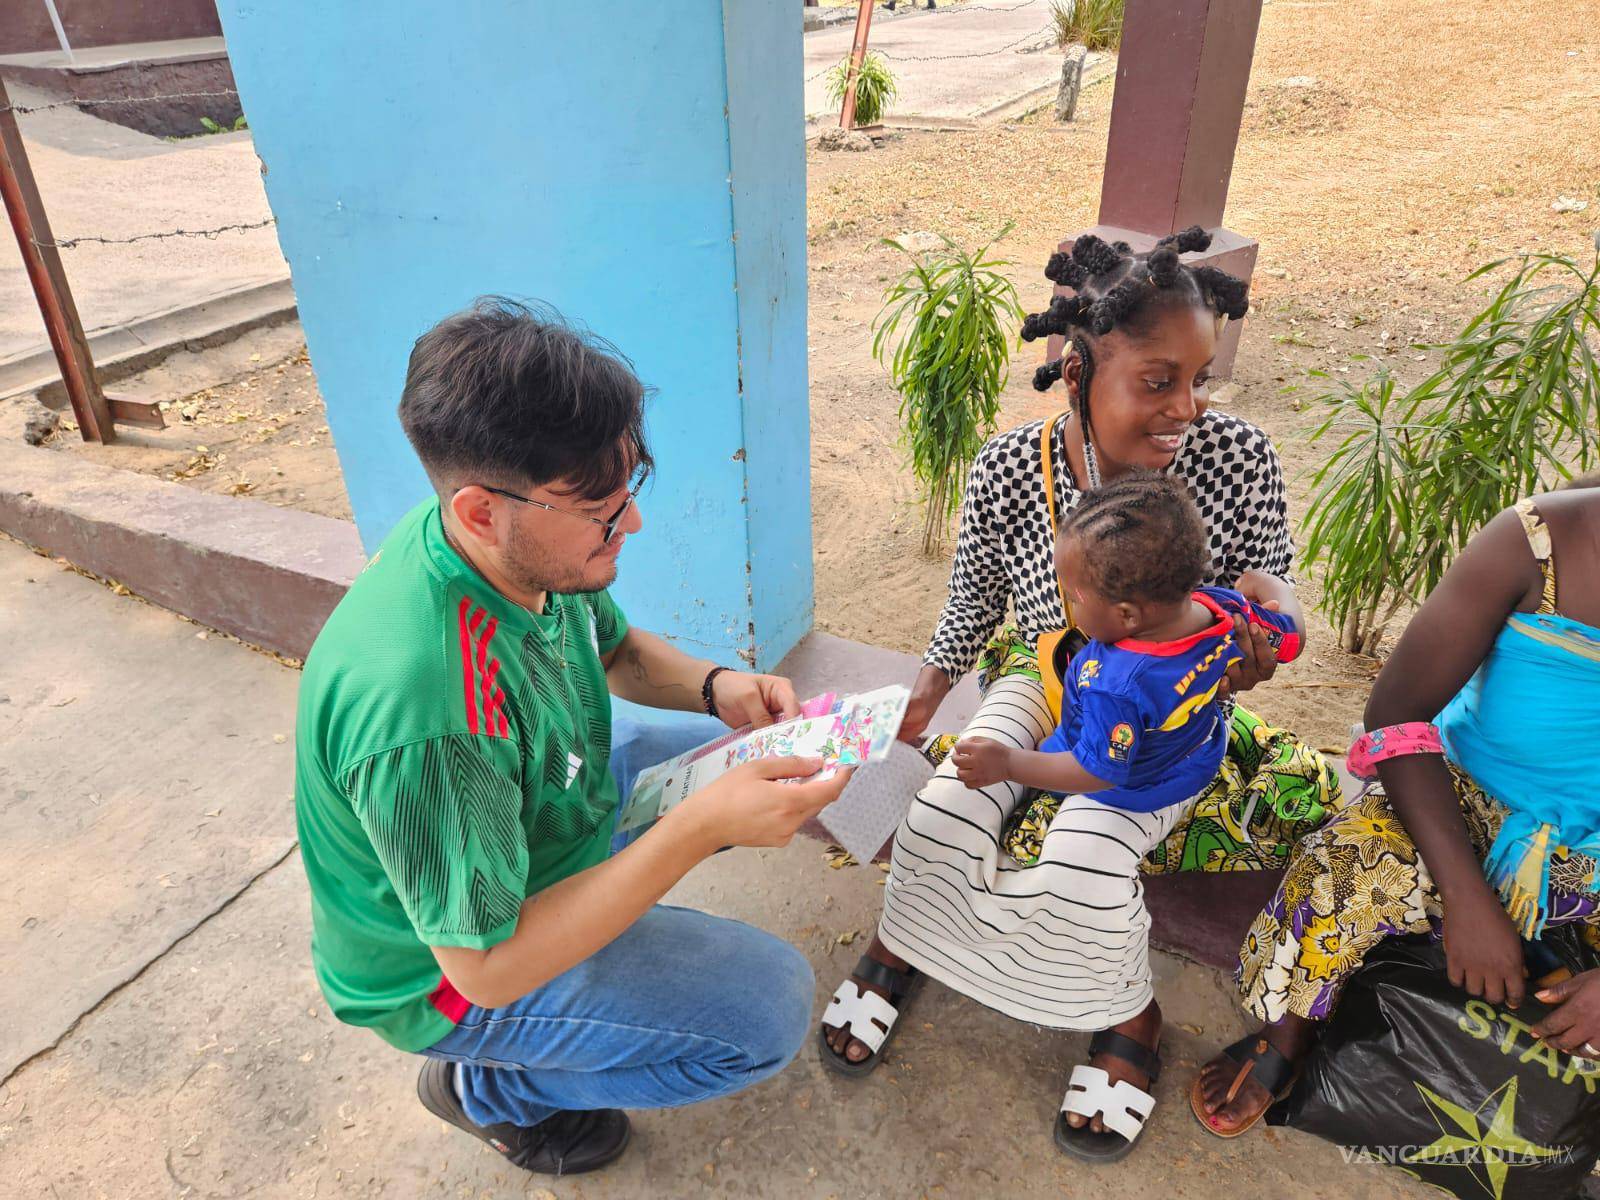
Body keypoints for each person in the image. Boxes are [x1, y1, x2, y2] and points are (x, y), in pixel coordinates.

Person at [294, 297, 850, 1177]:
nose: (628, 524)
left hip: (524, 828)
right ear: (480, 510)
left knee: (704, 755)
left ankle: (604, 929)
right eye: (598, 509)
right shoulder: (431, 713)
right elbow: (485, 966)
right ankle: (494, 1092)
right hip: (447, 972)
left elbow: (617, 647)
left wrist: (717, 688)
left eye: (630, 489)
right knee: (767, 1012)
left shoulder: (505, 545)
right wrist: (696, 831)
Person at [819, 228, 1339, 1161]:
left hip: (1167, 708)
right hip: (1042, 669)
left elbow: (1270, 578)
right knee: (942, 815)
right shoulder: (1012, 469)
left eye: (1200, 378)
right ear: (1076, 372)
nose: (1187, 406)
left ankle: (1124, 1013)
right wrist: (928, 694)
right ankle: (913, 943)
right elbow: (976, 596)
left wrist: (1262, 638)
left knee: (1082, 860)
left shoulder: (1236, 456)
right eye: (1157, 381)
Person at [1192, 476, 1600, 1138]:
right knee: (1341, 870)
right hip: (1471, 805)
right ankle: (1291, 1030)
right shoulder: (1535, 544)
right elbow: (1395, 715)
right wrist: (1469, 900)